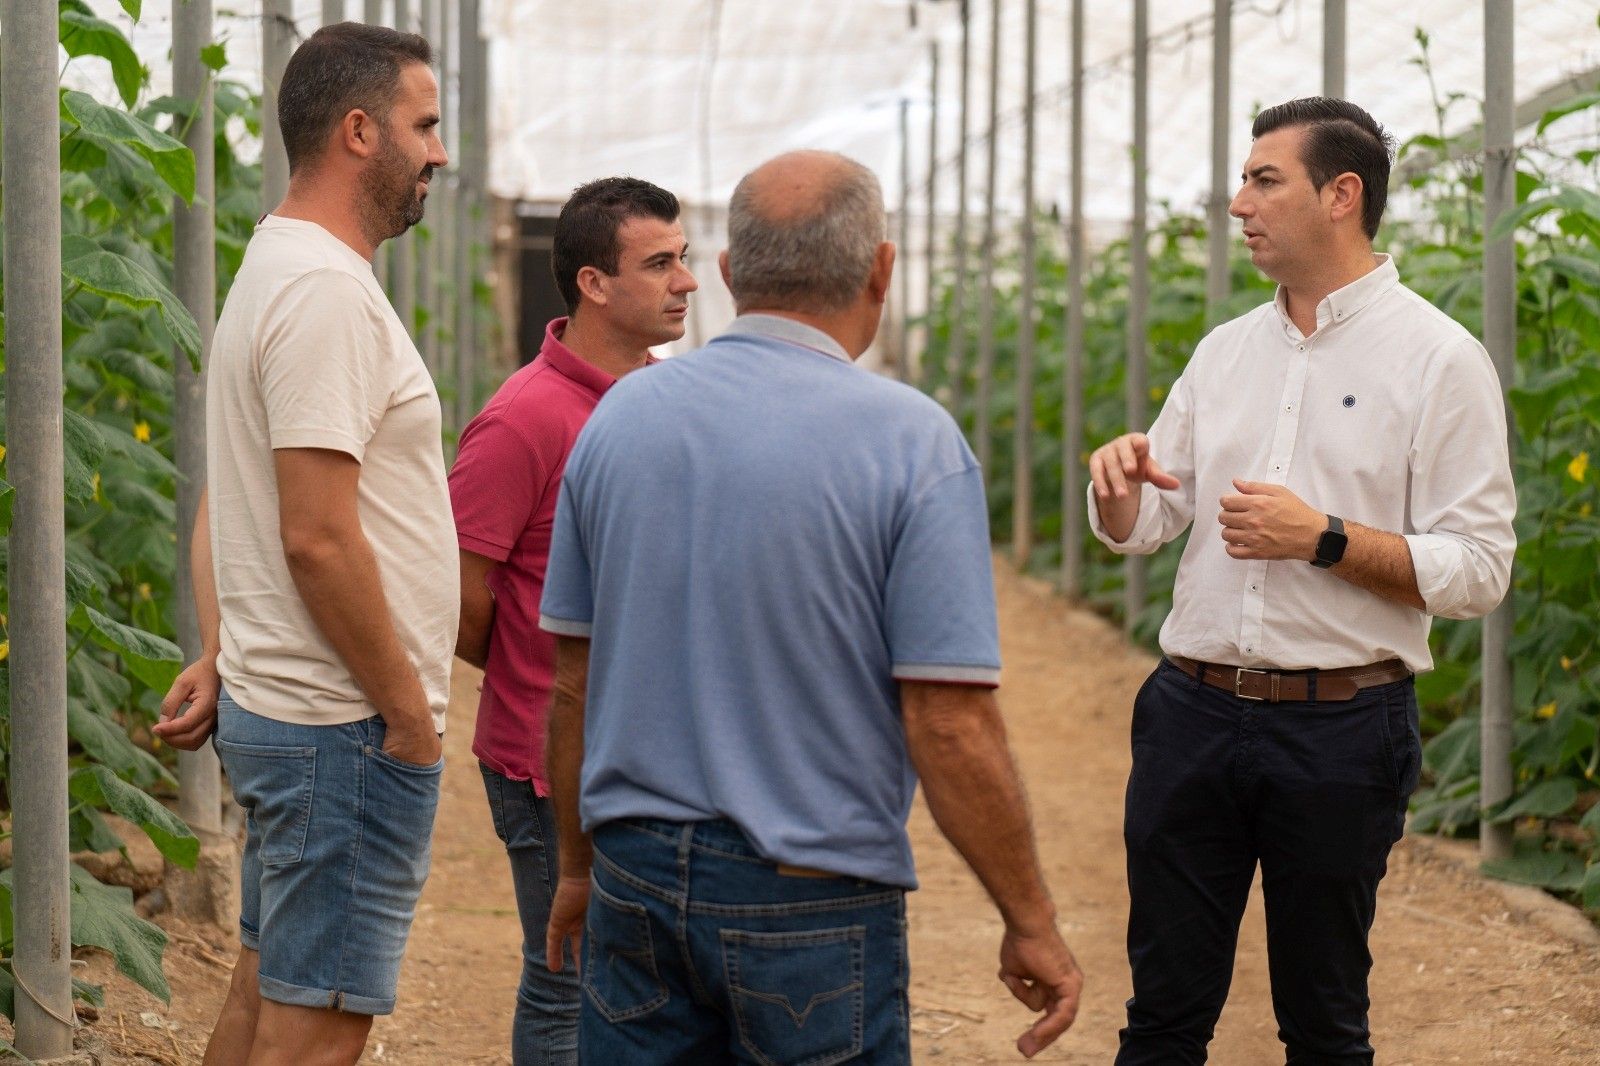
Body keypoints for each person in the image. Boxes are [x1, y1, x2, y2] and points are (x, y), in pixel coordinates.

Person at [538, 150, 1083, 1064]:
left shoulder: (620, 419)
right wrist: (1029, 918)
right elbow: (947, 721)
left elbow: (571, 682)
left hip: (636, 874)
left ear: (725, 272)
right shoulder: (912, 444)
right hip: (810, 892)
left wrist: (576, 867)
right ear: (881, 269)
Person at [1087, 97, 1516, 1065]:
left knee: (1324, 1026)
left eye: (1262, 180)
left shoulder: (1440, 360)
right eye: (1243, 181)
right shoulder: (1225, 351)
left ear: (1340, 195)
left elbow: (1480, 569)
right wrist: (1117, 488)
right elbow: (1147, 524)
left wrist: (1322, 537)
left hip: (1342, 731)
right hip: (1190, 715)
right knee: (1162, 1017)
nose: (1238, 202)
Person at [153, 22, 456, 1066]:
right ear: (360, 131)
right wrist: (407, 717)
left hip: (297, 710)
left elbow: (226, 497)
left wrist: (223, 647)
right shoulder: (324, 291)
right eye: (424, 126)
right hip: (344, 724)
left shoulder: (278, 265)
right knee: (315, 1033)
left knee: (264, 987)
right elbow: (316, 535)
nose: (439, 153)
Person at [448, 176, 697, 1065]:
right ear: (594, 283)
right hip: (550, 758)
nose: (686, 281)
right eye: (659, 263)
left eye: (683, 258)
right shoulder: (522, 419)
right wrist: (536, 668)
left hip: (648, 750)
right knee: (566, 981)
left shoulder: (672, 398)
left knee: (641, 981)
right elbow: (460, 595)